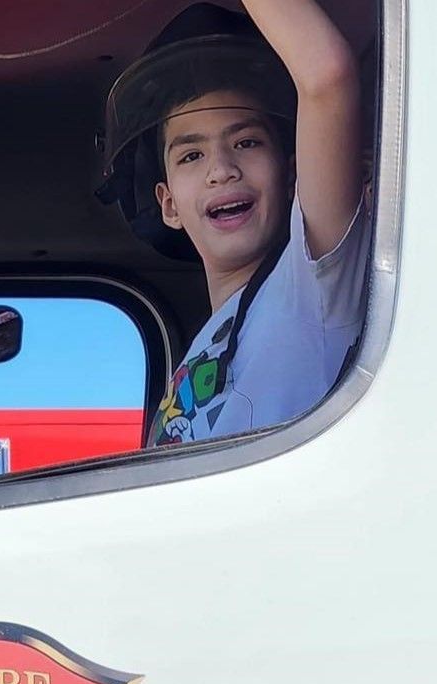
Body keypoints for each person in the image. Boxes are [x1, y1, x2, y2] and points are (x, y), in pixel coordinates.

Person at [98, 1, 370, 446]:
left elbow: (327, 78)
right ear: (169, 205)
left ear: (290, 178)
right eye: (191, 155)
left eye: (246, 142)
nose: (221, 168)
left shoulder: (312, 286)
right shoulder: (206, 343)